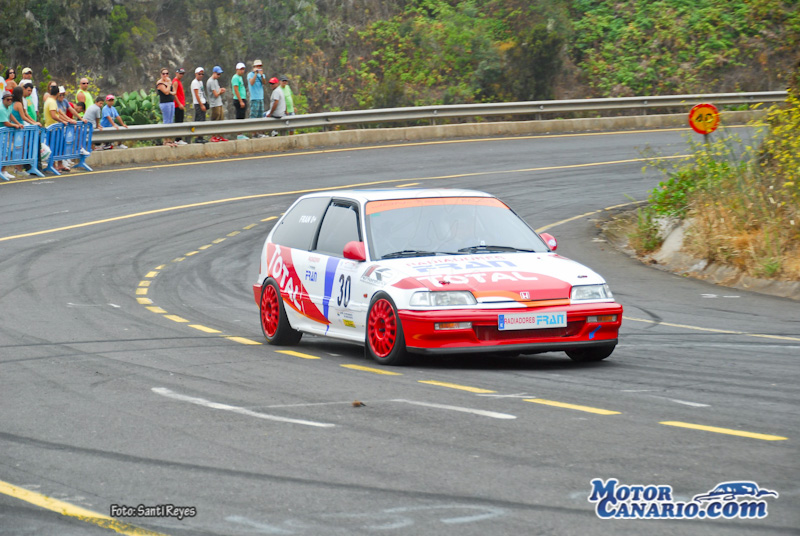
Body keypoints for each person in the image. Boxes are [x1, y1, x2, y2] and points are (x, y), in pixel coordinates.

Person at [1, 90, 24, 180]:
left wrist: (18, 123)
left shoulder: (8, 107)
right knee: (3, 152)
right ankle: (2, 170)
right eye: (8, 99)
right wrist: (14, 125)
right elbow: (5, 122)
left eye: (11, 99)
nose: (10, 101)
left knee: (5, 152)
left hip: (4, 134)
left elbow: (10, 116)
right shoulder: (1, 108)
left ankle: (3, 170)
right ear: (3, 100)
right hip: (1, 132)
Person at [156, 67, 177, 146]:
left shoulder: (168, 82)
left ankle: (170, 140)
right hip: (165, 103)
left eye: (167, 73)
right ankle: (165, 141)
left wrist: (170, 84)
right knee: (166, 121)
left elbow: (173, 91)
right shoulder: (160, 83)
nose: (165, 75)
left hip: (171, 102)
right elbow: (166, 92)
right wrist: (168, 84)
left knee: (171, 121)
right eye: (163, 74)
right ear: (161, 75)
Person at [247, 60, 267, 133]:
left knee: (260, 116)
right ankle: (253, 133)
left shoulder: (262, 75)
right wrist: (255, 74)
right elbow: (251, 83)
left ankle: (259, 132)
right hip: (254, 98)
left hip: (260, 98)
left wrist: (261, 75)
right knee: (253, 116)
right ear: (254, 67)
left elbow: (264, 83)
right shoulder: (250, 74)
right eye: (257, 66)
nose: (259, 67)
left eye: (260, 66)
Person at [190, 67, 208, 143]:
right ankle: (198, 137)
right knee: (199, 120)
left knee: (202, 120)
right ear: (196, 74)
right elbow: (197, 95)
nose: (201, 75)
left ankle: (201, 136)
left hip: (202, 102)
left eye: (202, 74)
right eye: (199, 74)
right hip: (198, 104)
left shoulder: (201, 82)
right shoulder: (195, 83)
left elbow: (202, 93)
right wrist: (201, 105)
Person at [172, 68, 187, 145]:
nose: (181, 75)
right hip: (178, 105)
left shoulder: (178, 81)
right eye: (180, 73)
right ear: (176, 73)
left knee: (180, 121)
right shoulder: (175, 82)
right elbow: (174, 94)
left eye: (182, 74)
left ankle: (179, 138)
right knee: (179, 121)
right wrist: (179, 104)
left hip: (180, 104)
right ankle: (178, 139)